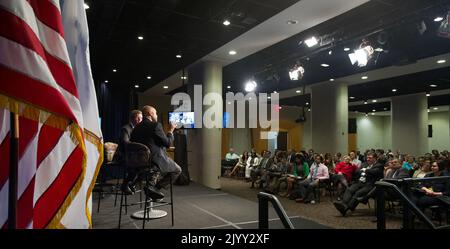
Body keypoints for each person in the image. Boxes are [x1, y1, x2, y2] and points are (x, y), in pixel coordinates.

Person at [129, 106, 182, 199]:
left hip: (138, 162)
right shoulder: (156, 125)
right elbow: (168, 143)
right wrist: (170, 131)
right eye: (156, 113)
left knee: (157, 168)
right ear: (150, 114)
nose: (157, 115)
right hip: (153, 161)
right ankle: (154, 188)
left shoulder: (135, 128)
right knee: (177, 170)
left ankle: (151, 187)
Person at [333, 152, 384, 216]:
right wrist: (360, 170)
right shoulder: (364, 164)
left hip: (370, 184)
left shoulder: (379, 165)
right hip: (360, 182)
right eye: (367, 157)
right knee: (349, 189)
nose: (368, 159)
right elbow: (357, 171)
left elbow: (375, 172)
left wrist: (365, 170)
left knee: (358, 193)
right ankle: (343, 204)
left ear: (375, 158)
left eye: (370, 158)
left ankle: (346, 208)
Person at [119, 110, 142, 194]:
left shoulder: (138, 129)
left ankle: (131, 183)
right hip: (124, 155)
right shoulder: (126, 128)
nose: (140, 120)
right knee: (137, 165)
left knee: (147, 165)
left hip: (134, 155)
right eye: (138, 118)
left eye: (141, 118)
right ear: (132, 118)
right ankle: (125, 185)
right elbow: (126, 143)